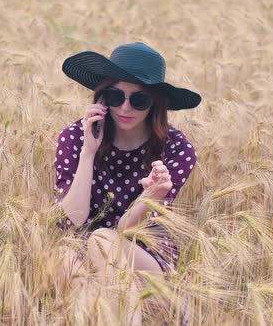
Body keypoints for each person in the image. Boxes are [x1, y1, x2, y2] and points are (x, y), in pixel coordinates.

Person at [53, 42, 201, 324]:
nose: (124, 107)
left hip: (143, 257)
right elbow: (72, 220)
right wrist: (88, 153)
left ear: (155, 103)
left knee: (103, 240)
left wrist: (150, 197)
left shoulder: (176, 149)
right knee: (63, 258)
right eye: (114, 95)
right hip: (83, 250)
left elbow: (124, 230)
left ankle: (159, 308)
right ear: (101, 97)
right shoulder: (74, 138)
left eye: (139, 100)